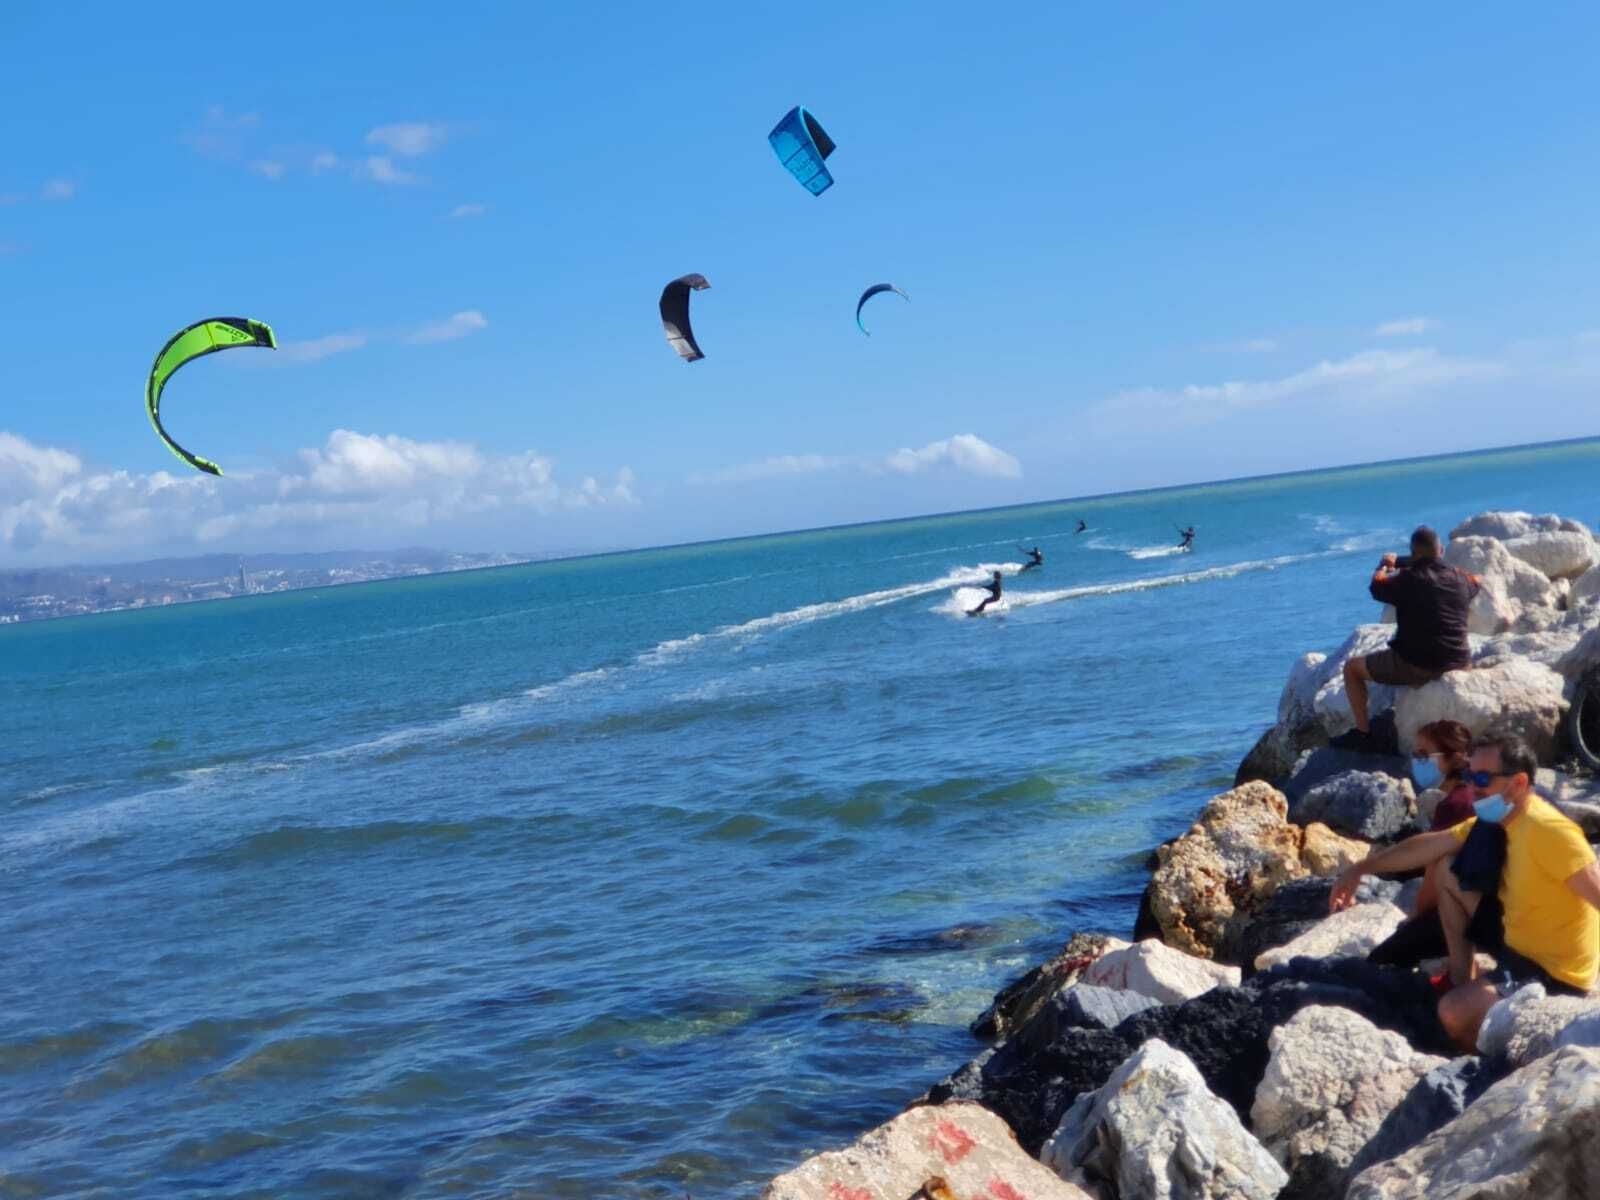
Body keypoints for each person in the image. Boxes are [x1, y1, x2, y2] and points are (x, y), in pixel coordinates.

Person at [1333, 733, 1600, 1051]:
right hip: (1518, 938)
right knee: (1447, 868)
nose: (1472, 786)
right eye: (1470, 775)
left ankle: (1483, 1059)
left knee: (1452, 1012)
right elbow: (1429, 846)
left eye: (1483, 778)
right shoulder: (1503, 819)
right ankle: (1464, 980)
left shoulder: (1551, 832)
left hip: (1553, 971)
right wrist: (1359, 869)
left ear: (1517, 782)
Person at [1342, 526, 1481, 737]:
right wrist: (1412, 560)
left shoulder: (1408, 580)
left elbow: (1376, 586)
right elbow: (1475, 580)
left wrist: (1386, 564)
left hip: (1417, 664)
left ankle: (1363, 733)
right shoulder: (1460, 579)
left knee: (1351, 669)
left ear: (1414, 553)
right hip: (1459, 660)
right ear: (1441, 550)